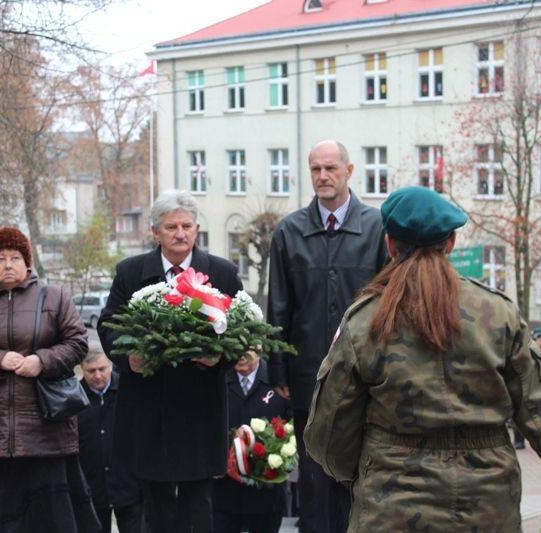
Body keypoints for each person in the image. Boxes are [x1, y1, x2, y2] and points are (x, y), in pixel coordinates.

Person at [304, 186, 541, 531]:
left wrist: (367, 471)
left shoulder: (364, 321)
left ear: (390, 244)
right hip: (487, 509)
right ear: (451, 243)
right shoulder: (498, 314)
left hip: (391, 510)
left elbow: (329, 435)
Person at [98, 190, 243, 533]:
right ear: (155, 232)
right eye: (171, 226)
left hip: (200, 406)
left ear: (196, 229)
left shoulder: (222, 273)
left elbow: (243, 330)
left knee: (199, 502)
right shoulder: (131, 273)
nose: (180, 233)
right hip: (150, 408)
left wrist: (220, 357)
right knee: (157, 503)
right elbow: (108, 326)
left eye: (187, 226)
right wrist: (128, 358)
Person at [266, 139, 387, 533]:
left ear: (349, 171)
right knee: (315, 485)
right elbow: (278, 308)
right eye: (315, 169)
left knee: (360, 478)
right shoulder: (290, 231)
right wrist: (279, 374)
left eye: (330, 168)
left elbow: (388, 307)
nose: (322, 176)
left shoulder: (377, 228)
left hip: (365, 379)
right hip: (308, 381)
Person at [0, 226, 100, 532]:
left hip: (47, 435)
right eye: (0, 258)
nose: (8, 264)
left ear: (27, 262)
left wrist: (41, 361)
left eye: (15, 257)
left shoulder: (55, 297)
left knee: (51, 523)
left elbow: (77, 343)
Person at [213, 352, 291, 533]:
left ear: (260, 345)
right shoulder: (217, 378)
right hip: (224, 492)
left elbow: (293, 427)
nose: (240, 354)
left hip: (267, 493)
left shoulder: (278, 380)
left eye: (247, 346)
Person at [77, 352, 142, 533]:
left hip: (129, 486)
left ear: (111, 366)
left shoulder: (129, 391)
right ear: (82, 369)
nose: (97, 375)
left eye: (102, 369)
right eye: (91, 371)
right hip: (92, 489)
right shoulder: (75, 398)